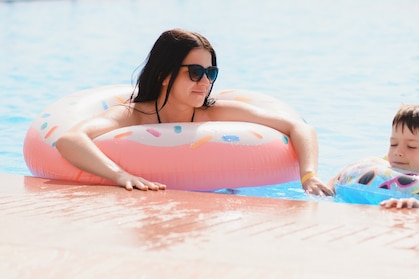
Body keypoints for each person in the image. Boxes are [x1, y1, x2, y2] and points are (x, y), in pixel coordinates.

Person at [55, 28, 333, 196]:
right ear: (164, 75)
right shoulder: (133, 116)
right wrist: (120, 175)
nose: (205, 83)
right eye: (195, 72)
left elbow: (299, 127)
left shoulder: (215, 113)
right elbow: (70, 139)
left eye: (211, 72)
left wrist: (309, 176)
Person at [329, 103, 419, 209]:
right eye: (393, 144)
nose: (398, 152)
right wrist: (328, 188)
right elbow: (357, 166)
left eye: (411, 146)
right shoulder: (381, 168)